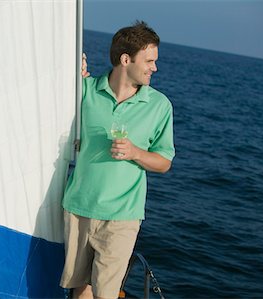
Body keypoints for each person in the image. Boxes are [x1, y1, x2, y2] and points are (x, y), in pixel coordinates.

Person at [60, 21, 175, 299]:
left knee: (106, 293)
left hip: (123, 215)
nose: (154, 68)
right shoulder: (84, 91)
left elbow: (164, 162)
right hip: (78, 208)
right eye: (149, 61)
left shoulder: (159, 106)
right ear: (126, 59)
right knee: (80, 287)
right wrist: (69, 68)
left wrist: (135, 152)